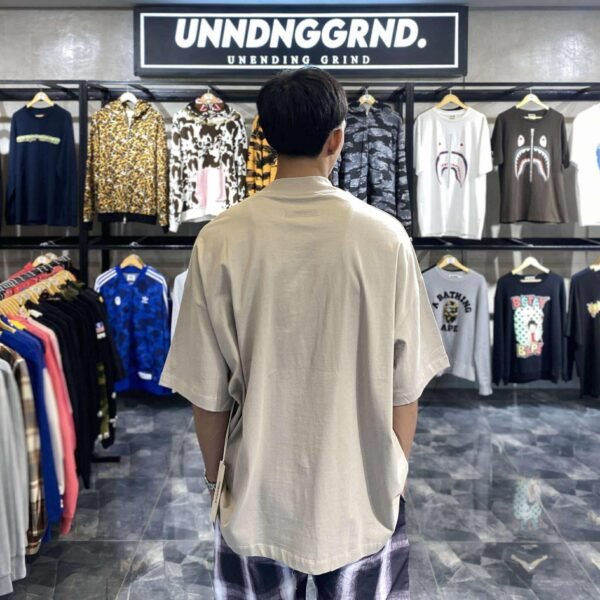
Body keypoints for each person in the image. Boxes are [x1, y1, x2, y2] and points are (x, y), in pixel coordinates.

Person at [160, 67, 449, 599]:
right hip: (361, 497)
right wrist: (394, 475)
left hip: (257, 499)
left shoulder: (220, 239)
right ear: (337, 138)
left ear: (265, 137)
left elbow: (207, 394)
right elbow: (405, 386)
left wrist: (216, 483)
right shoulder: (385, 238)